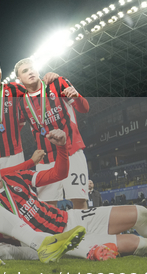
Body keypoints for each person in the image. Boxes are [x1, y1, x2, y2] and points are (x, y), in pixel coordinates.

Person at [0, 129, 147, 260]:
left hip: (72, 218)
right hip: (62, 241)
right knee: (140, 245)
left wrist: (61, 147)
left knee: (142, 213)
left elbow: (59, 174)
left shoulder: (17, 178)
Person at [15, 58, 90, 210]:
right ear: (19, 79)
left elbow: (84, 109)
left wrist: (76, 95)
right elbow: (13, 129)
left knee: (79, 200)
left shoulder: (57, 83)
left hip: (72, 151)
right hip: (46, 159)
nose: (30, 71)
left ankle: (85, 233)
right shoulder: (21, 102)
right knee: (47, 205)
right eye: (25, 71)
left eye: (32, 68)